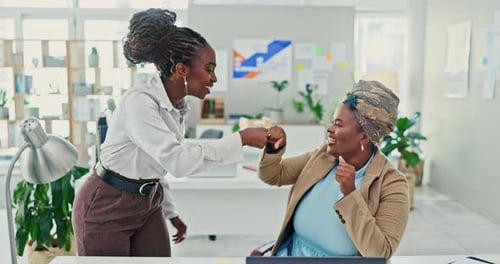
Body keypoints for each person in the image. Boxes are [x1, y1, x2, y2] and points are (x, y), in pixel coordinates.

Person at [72, 8, 269, 257]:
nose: (214, 78)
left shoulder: (177, 107)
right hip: (107, 204)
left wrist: (170, 211)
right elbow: (177, 161)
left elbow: (155, 164)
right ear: (181, 69)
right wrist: (242, 139)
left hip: (148, 201)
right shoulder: (139, 102)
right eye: (209, 69)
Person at [259, 80, 409, 258]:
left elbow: (379, 254)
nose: (330, 129)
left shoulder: (392, 184)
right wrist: (273, 149)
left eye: (338, 124)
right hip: (291, 257)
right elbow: (273, 175)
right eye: (332, 122)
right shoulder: (323, 155)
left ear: (365, 137)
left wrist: (350, 194)